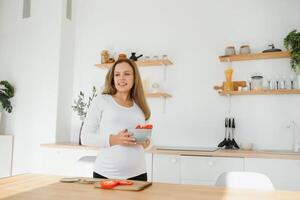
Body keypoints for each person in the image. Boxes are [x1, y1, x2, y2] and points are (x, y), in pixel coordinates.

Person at [81, 58, 151, 181]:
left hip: (138, 174)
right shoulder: (102, 100)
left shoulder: (140, 106)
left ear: (135, 78)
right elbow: (85, 137)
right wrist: (114, 139)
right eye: (117, 74)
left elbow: (146, 142)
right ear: (112, 79)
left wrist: (146, 143)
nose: (121, 78)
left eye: (127, 74)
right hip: (106, 174)